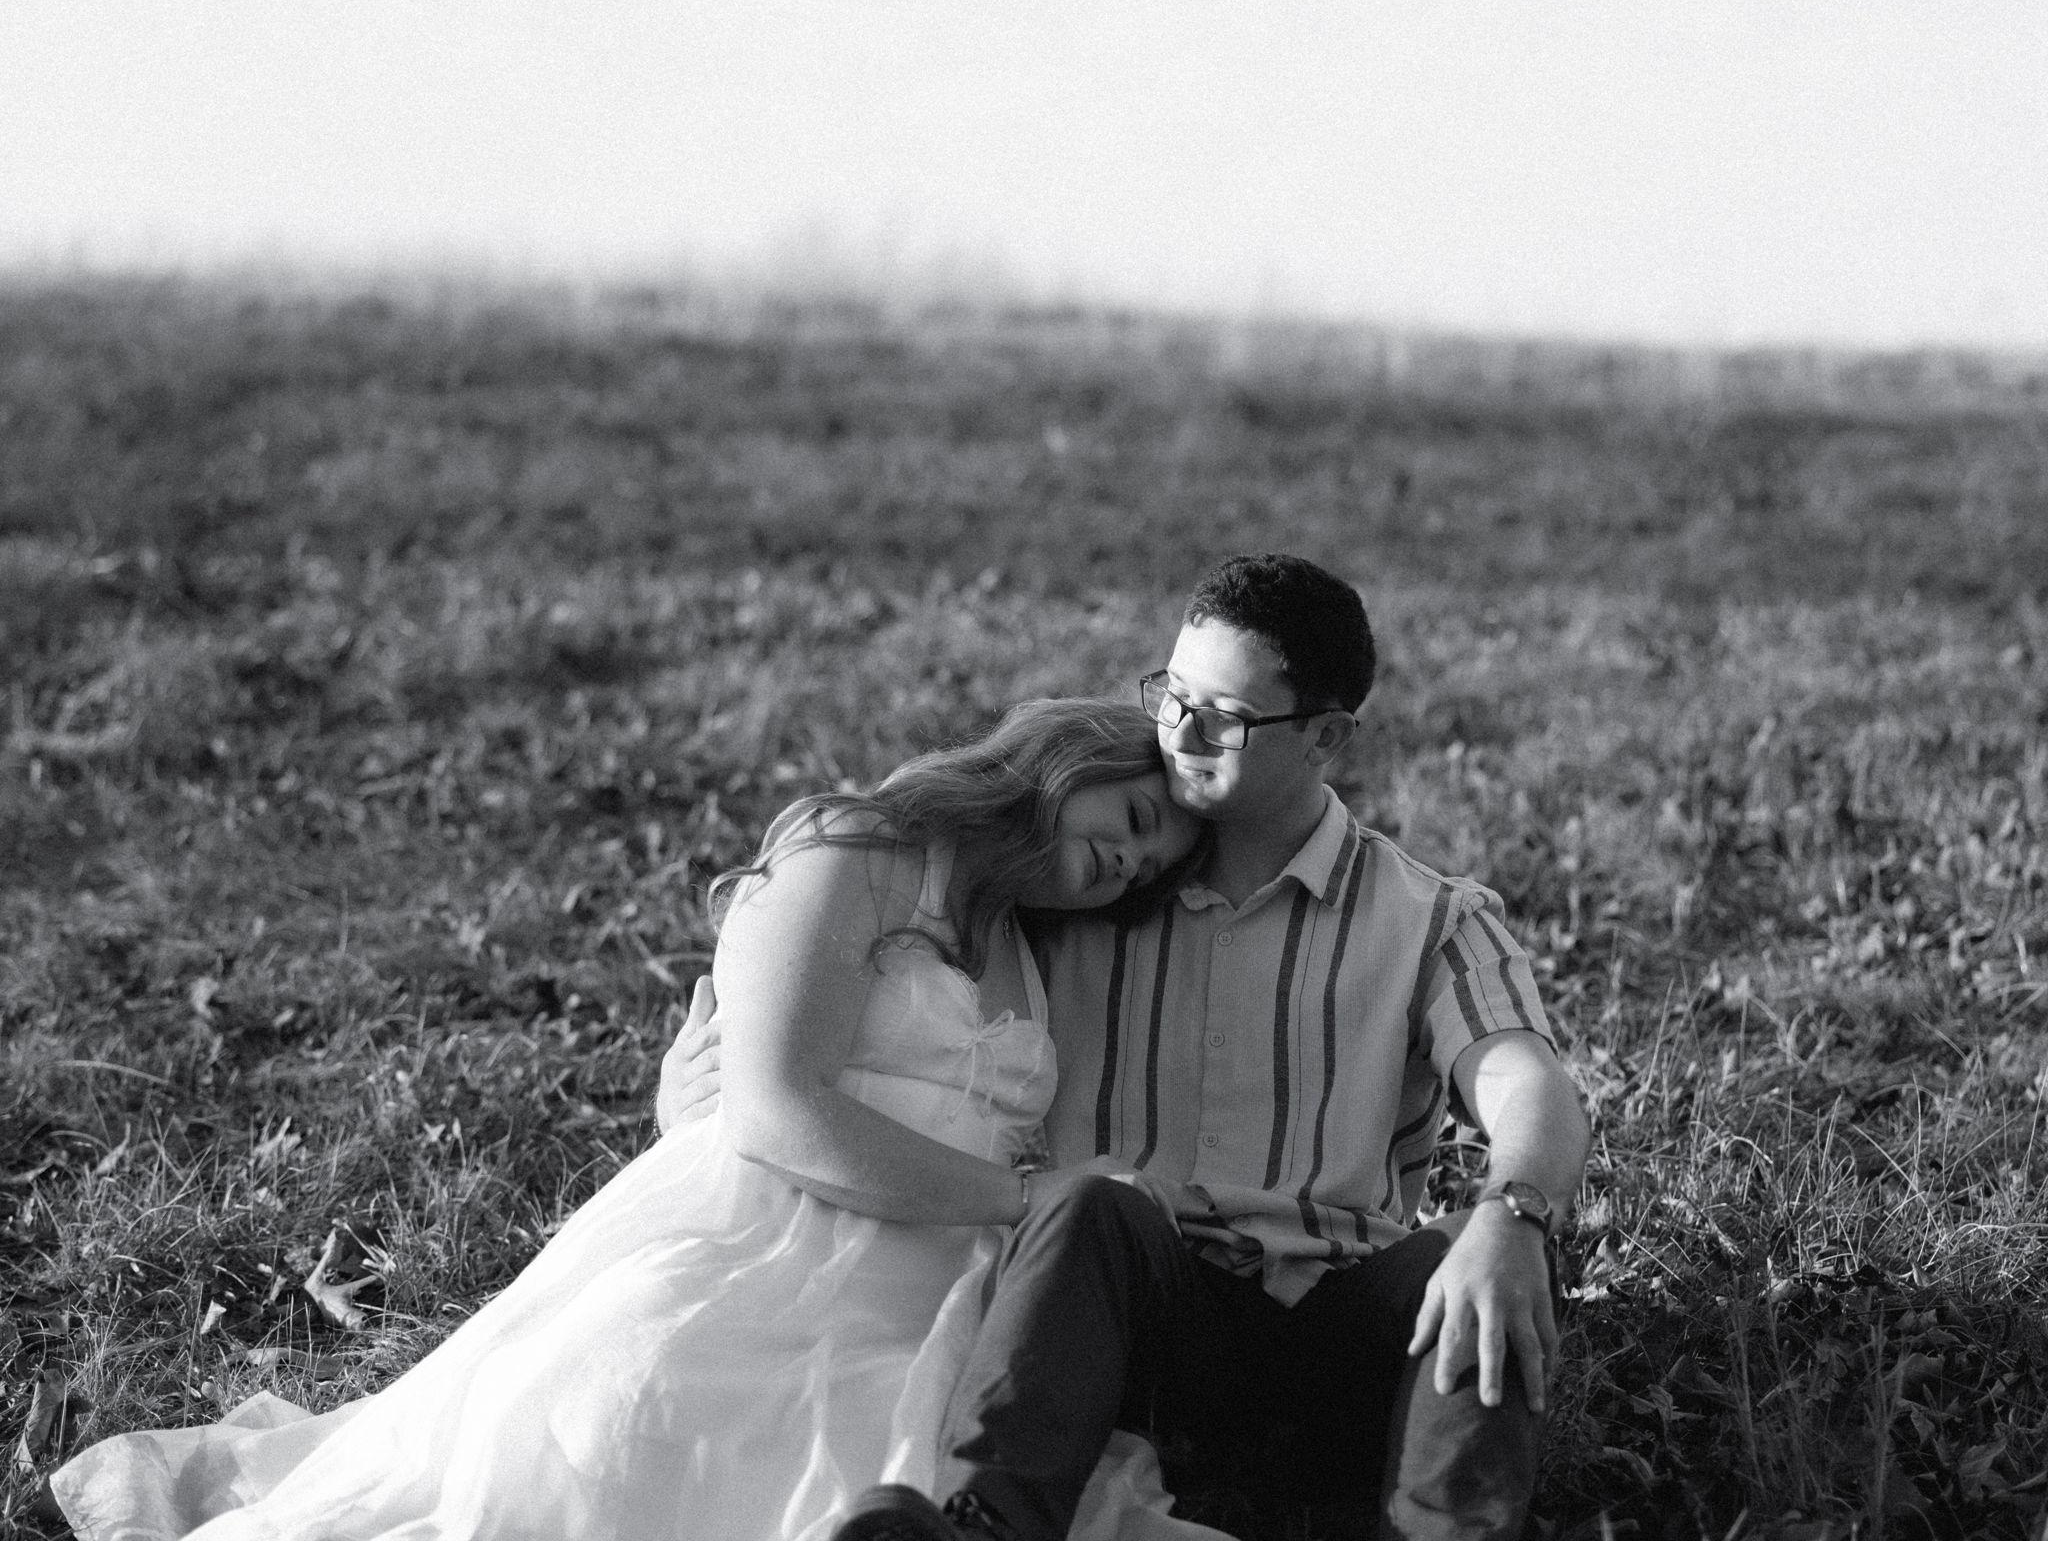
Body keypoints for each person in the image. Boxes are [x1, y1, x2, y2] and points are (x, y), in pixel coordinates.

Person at [50, 699, 1210, 1541]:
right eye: (1135, 813)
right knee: (634, 1438)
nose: (1127, 857)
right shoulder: (857, 851)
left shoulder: (1031, 946)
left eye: (1142, 867)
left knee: (914, 1478)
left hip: (929, 1282)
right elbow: (776, 1105)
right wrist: (1028, 1198)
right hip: (767, 1232)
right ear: (1068, 754)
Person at [665, 555, 1590, 1541]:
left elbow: (1527, 1083)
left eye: (1223, 717)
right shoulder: (1085, 885)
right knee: (1093, 1202)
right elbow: (895, 997)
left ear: (1324, 736)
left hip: (1341, 1312)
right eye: (1172, 695)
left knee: (1475, 1254)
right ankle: (983, 1522)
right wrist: (705, 1100)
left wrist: (1514, 1214)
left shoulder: (1430, 917)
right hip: (1126, 1321)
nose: (1179, 733)